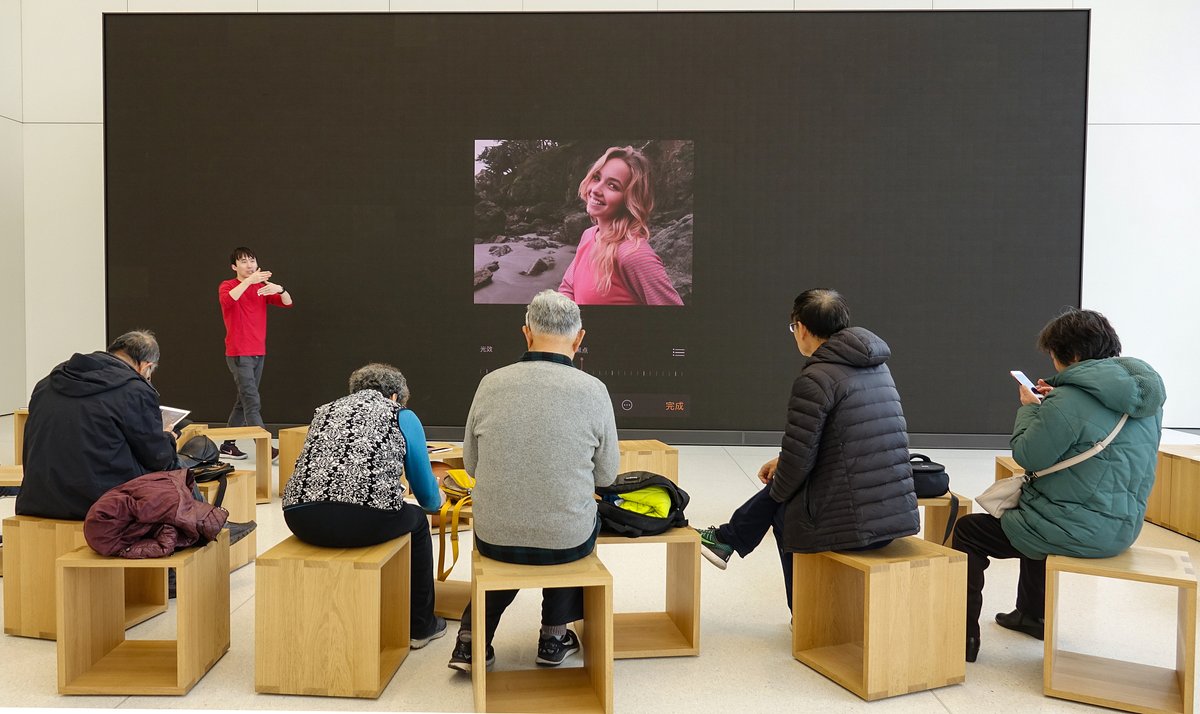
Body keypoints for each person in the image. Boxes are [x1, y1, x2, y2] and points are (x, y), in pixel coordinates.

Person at [952, 308, 1165, 663]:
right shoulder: (1146, 399)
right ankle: (1032, 615)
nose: (1054, 363)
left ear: (1075, 356)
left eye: (1054, 356)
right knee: (1040, 509)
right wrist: (1056, 405)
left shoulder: (1069, 399)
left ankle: (962, 639)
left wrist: (1031, 409)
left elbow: (1028, 455)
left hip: (1079, 530)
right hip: (1124, 526)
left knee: (970, 531)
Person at [695, 289, 919, 610]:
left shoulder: (816, 377)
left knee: (788, 514)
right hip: (894, 513)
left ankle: (804, 616)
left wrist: (782, 475)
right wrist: (785, 461)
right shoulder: (876, 367)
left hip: (856, 523)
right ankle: (729, 539)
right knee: (786, 487)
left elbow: (799, 466)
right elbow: (840, 442)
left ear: (801, 328)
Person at [447, 290, 619, 672]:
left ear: (526, 334)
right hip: (566, 540)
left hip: (494, 534)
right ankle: (554, 638)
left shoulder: (490, 383)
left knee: (512, 534)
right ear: (579, 339)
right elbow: (607, 475)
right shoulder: (594, 390)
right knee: (575, 523)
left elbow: (472, 466)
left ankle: (470, 642)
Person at [282, 363, 447, 648]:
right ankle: (421, 626)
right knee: (418, 520)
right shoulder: (401, 414)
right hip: (362, 520)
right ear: (395, 395)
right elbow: (428, 498)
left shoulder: (324, 410)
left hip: (300, 518)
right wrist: (440, 497)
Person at [16, 330, 179, 520]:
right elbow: (158, 458)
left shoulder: (47, 383)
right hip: (103, 506)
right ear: (145, 367)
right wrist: (167, 438)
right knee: (178, 469)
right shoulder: (134, 390)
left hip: (38, 500)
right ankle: (214, 534)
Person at [558, 146, 683, 306]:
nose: (596, 189)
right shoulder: (589, 235)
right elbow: (568, 288)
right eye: (596, 178)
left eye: (613, 186)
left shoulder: (633, 255)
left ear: (630, 199)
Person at [218, 246, 292, 460]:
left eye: (252, 260)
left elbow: (287, 302)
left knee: (243, 400)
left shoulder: (262, 287)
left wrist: (279, 289)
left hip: (258, 351)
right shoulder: (228, 285)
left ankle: (227, 445)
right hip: (239, 352)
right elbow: (228, 300)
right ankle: (265, 448)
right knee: (251, 400)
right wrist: (249, 281)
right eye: (243, 261)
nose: (249, 265)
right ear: (234, 267)